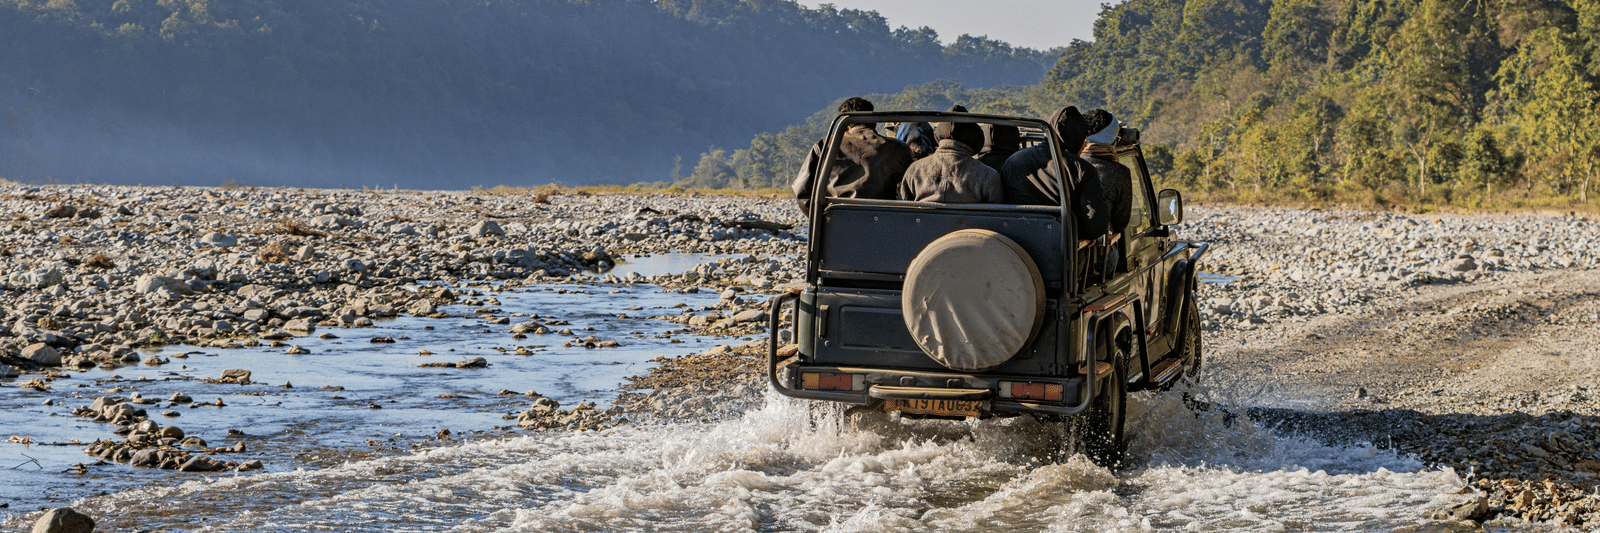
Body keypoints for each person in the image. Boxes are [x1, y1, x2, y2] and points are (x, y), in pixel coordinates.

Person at [791, 97, 914, 216]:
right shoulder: (898, 148)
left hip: (837, 220)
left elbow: (801, 189)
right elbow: (910, 189)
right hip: (886, 221)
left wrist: (822, 220)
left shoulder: (825, 145)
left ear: (845, 124)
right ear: (874, 121)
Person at [1000, 106, 1107, 240]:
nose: (1085, 144)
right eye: (1083, 137)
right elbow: (1097, 224)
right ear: (1076, 136)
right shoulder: (1082, 169)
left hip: (1016, 240)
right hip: (1060, 248)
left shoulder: (1013, 160)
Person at [897, 106, 1003, 203]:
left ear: (938, 136)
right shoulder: (989, 176)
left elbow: (904, 212)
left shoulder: (914, 170)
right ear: (976, 139)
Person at [1082, 109, 1132, 234]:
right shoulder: (1120, 173)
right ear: (1113, 142)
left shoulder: (1063, 162)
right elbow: (1121, 223)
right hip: (1101, 247)